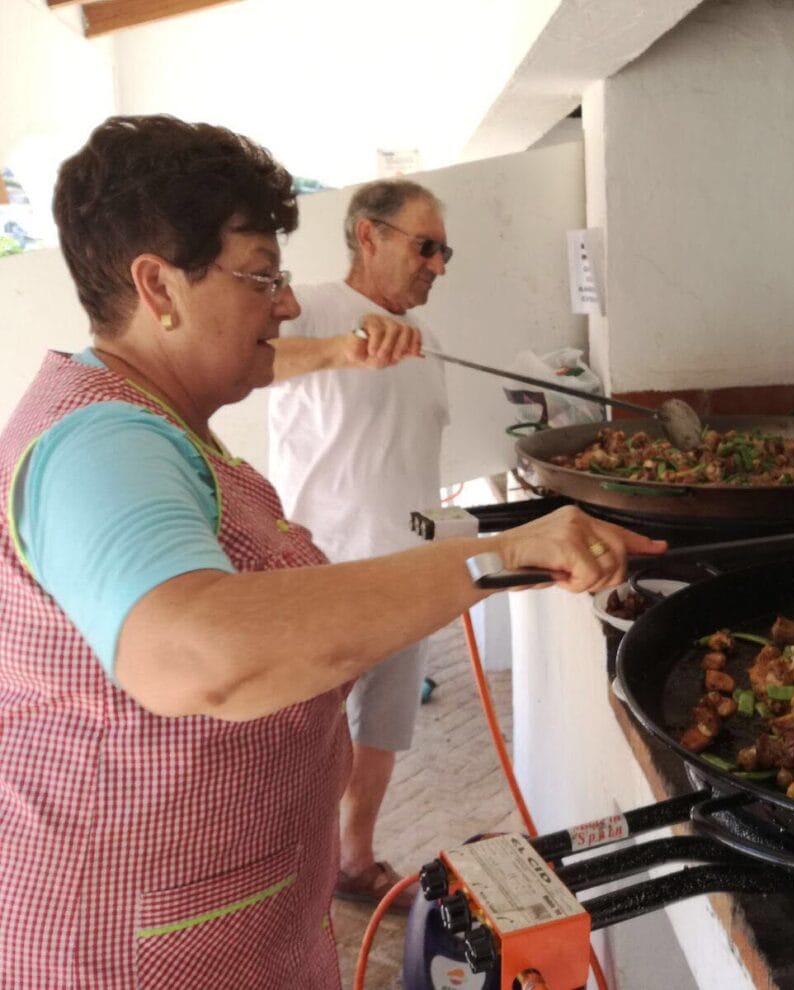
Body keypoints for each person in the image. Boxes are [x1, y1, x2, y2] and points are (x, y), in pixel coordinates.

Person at [0, 114, 663, 989]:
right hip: (128, 950)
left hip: (232, 921)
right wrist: (494, 559)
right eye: (261, 277)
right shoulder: (98, 447)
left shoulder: (171, 432)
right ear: (158, 286)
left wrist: (512, 550)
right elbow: (200, 656)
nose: (282, 301)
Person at [266, 179, 454, 913]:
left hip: (407, 570)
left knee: (382, 727)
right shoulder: (310, 304)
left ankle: (352, 860)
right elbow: (254, 361)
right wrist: (346, 350)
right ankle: (289, 876)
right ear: (369, 235)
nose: (438, 263)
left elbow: (408, 455)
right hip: (326, 568)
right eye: (425, 245)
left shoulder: (430, 341)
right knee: (309, 735)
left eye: (445, 252)